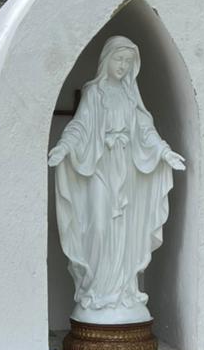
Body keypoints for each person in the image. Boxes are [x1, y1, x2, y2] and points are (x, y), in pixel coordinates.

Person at [48, 36, 185, 325]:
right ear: (106, 60)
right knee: (99, 225)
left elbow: (146, 129)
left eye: (127, 61)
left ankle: (123, 291)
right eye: (118, 59)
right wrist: (63, 147)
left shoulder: (130, 95)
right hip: (100, 166)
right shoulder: (94, 93)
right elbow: (80, 126)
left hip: (126, 168)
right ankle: (97, 291)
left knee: (124, 229)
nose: (122, 66)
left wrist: (164, 152)